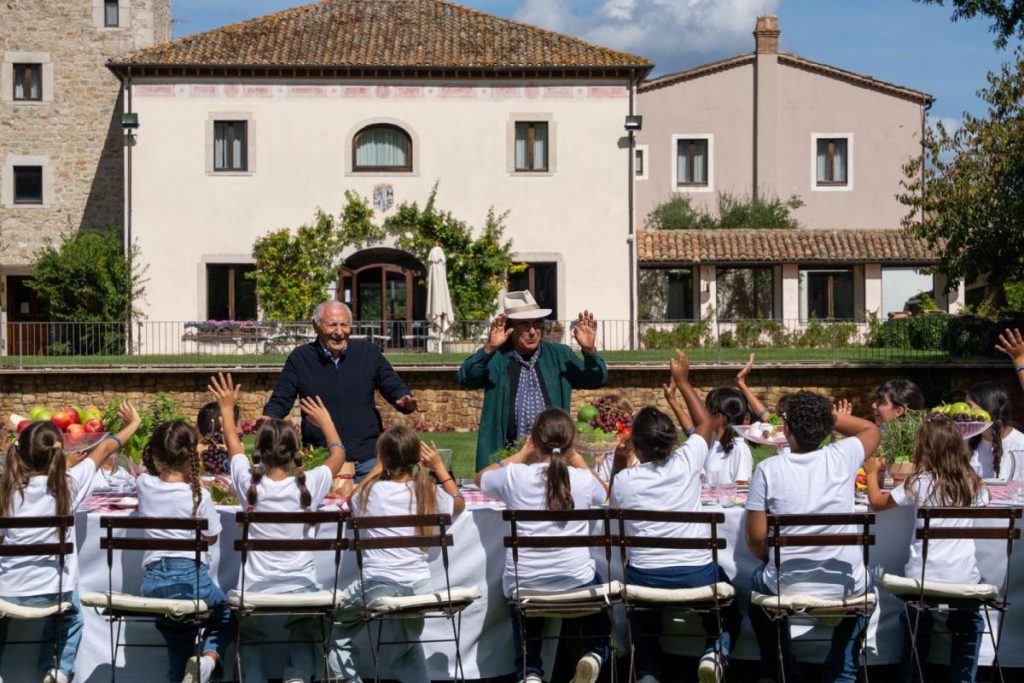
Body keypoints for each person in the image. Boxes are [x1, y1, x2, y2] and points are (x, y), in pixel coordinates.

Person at [610, 351, 743, 683]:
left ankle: (649, 674)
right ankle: (716, 651)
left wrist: (617, 463)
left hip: (646, 579)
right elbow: (704, 424)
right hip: (697, 574)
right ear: (670, 440)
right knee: (731, 610)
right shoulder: (686, 462)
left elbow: (611, 498)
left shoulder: (625, 481)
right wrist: (684, 382)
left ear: (635, 445)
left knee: (643, 622)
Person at [210, 373, 347, 682]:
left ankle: (254, 677)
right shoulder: (309, 484)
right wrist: (326, 421)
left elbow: (233, 445)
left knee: (251, 632)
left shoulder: (248, 483)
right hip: (301, 585)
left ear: (259, 450)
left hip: (255, 587)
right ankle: (297, 675)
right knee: (303, 625)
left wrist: (227, 407)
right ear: (294, 450)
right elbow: (339, 454)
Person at [745, 391, 882, 683]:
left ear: (788, 429)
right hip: (845, 583)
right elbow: (871, 429)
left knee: (755, 583)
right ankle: (841, 671)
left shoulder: (768, 469)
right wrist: (826, 417)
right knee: (868, 586)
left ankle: (782, 670)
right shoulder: (844, 455)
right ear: (825, 427)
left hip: (784, 584)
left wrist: (775, 558)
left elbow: (756, 540)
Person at [0, 405, 141, 683]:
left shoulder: (6, 491)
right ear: (58, 453)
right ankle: (58, 670)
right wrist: (133, 423)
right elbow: (103, 450)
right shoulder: (69, 486)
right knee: (73, 619)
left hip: (7, 593)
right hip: (56, 593)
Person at [476, 408, 608, 683]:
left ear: (535, 441)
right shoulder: (581, 479)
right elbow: (603, 492)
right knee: (597, 582)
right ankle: (593, 653)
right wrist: (575, 458)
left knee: (527, 588)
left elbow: (481, 478)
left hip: (525, 584)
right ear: (570, 443)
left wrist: (520, 456)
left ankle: (530, 671)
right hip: (576, 581)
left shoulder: (513, 475)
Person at [330, 425, 463, 682]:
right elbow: (459, 501)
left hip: (376, 586)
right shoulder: (427, 489)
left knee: (333, 624)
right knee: (406, 648)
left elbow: (349, 501)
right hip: (419, 587)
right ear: (416, 458)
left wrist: (375, 471)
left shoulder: (369, 493)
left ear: (382, 458)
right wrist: (438, 467)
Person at [863, 415, 989, 683]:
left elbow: (876, 502)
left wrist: (873, 473)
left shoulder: (919, 482)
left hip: (922, 579)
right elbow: (986, 500)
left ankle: (914, 676)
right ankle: (964, 678)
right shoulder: (974, 483)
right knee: (969, 623)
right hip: (963, 579)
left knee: (915, 620)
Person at [262, 300, 418, 482]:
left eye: (344, 325)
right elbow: (281, 399)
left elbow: (392, 384)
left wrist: (404, 400)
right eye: (332, 325)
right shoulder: (300, 358)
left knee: (371, 509)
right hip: (322, 458)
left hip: (368, 457)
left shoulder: (368, 353)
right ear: (316, 327)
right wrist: (269, 417)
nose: (339, 331)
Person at [459, 290, 608, 471]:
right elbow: (466, 378)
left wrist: (589, 351)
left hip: (554, 460)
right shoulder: (498, 357)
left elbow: (596, 379)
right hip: (507, 459)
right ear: (510, 328)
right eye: (524, 325)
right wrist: (489, 348)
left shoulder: (559, 355)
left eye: (537, 324)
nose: (532, 332)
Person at [136, 420, 234, 683]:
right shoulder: (198, 495)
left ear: (156, 456)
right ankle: (209, 659)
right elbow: (212, 537)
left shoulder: (144, 484)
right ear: (192, 456)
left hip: (153, 584)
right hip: (193, 582)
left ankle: (182, 675)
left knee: (177, 634)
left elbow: (144, 470)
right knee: (226, 613)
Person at [664, 381, 753, 484]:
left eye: (707, 411)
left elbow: (742, 488)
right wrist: (672, 400)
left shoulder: (740, 449)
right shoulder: (712, 440)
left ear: (718, 417)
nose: (704, 415)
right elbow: (690, 430)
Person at [965, 380, 1024, 479]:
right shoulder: (965, 441)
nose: (965, 414)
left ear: (989, 409)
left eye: (969, 407)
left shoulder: (1020, 444)